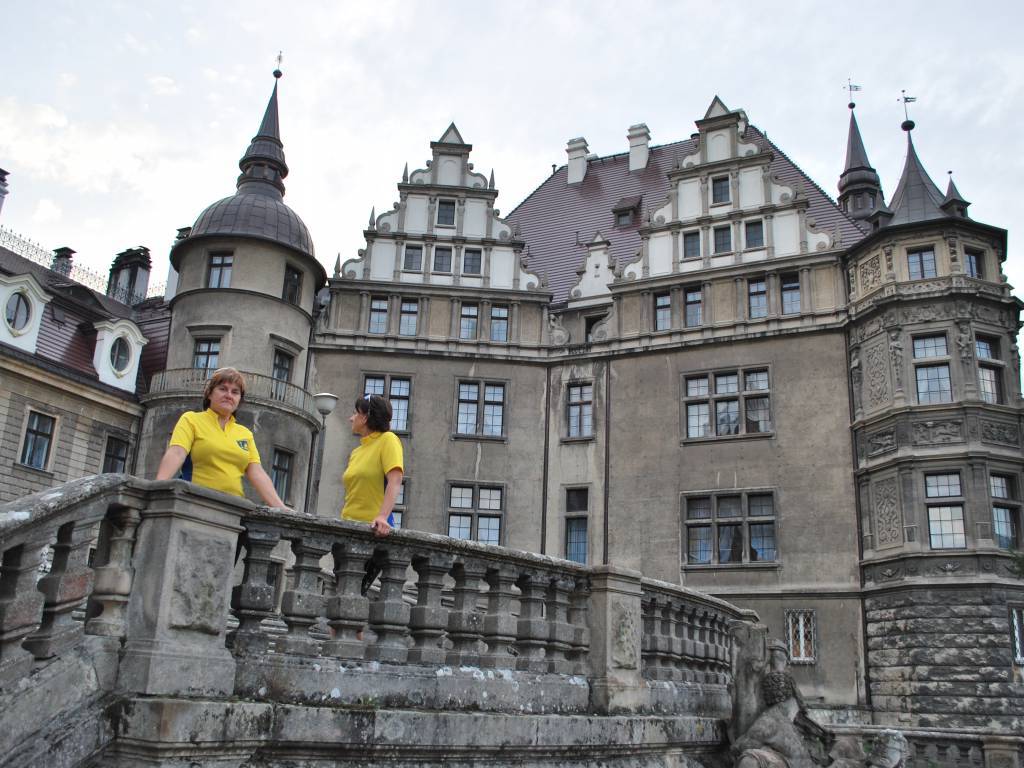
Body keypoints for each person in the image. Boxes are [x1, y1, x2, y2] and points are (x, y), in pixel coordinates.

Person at [155, 367, 286, 507]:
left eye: (235, 392)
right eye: (223, 389)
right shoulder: (191, 420)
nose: (229, 395)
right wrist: (157, 488)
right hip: (194, 503)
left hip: (232, 508)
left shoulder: (245, 434)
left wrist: (281, 507)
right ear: (209, 394)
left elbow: (257, 473)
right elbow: (177, 453)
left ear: (239, 399)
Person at [340, 393, 403, 538]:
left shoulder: (388, 440)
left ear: (365, 418)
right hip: (347, 528)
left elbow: (395, 480)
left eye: (355, 413)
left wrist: (382, 517)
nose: (351, 418)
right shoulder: (356, 452)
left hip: (374, 530)